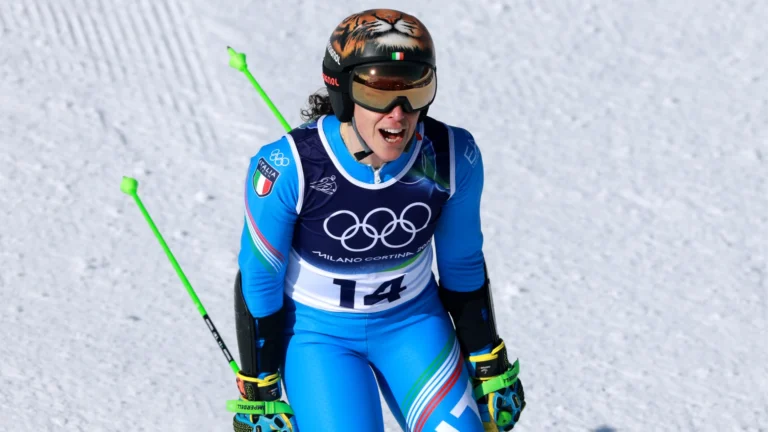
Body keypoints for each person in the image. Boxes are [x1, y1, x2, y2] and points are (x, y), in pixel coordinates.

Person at [231, 8, 526, 432]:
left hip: (413, 325)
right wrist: (260, 388)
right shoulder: (288, 168)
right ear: (343, 91)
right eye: (378, 92)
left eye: (415, 89)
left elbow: (462, 262)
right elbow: (260, 275)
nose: (398, 113)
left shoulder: (449, 157)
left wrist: (486, 359)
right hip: (318, 339)